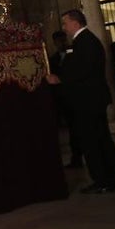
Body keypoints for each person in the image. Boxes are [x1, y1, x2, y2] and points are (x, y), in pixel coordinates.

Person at [45, 10, 115, 194]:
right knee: (100, 140)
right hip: (90, 100)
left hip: (88, 101)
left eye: (65, 23)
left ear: (75, 23)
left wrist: (59, 78)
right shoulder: (84, 41)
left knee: (94, 141)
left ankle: (103, 180)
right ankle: (109, 179)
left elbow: (82, 70)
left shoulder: (85, 42)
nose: (64, 28)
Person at [48, 30, 82, 168]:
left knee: (77, 130)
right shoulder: (53, 59)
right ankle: (75, 158)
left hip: (75, 96)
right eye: (57, 42)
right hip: (62, 99)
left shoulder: (75, 53)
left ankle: (79, 156)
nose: (60, 44)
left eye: (62, 40)